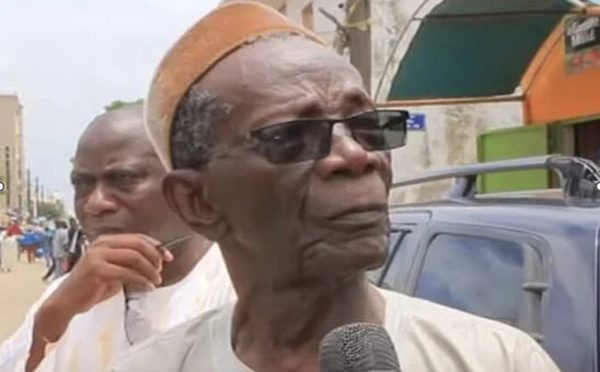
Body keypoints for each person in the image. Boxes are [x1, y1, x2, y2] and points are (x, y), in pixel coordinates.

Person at [113, 2, 561, 372]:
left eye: (368, 127)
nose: (355, 156)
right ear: (198, 201)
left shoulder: (497, 360)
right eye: (292, 136)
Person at [0, 105, 235, 372]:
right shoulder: (63, 297)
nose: (94, 203)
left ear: (189, 188)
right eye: (82, 184)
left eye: (124, 178)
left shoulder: (245, 295)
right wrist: (51, 321)